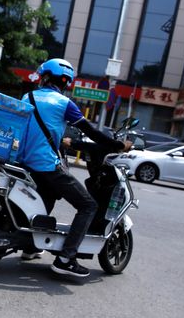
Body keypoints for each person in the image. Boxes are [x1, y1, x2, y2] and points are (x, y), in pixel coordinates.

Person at [18, 59, 131, 277]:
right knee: (89, 205)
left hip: (25, 163)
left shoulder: (27, 96)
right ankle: (65, 258)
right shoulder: (63, 104)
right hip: (46, 164)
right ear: (66, 81)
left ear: (46, 76)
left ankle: (30, 247)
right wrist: (118, 145)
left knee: (47, 197)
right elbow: (92, 132)